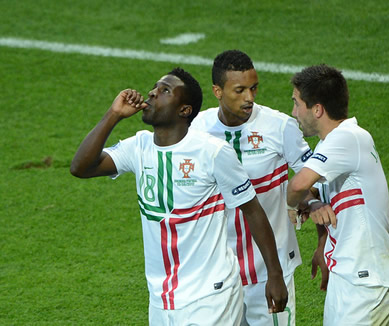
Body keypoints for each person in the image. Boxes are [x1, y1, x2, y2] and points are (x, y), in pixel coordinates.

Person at [70, 67, 288, 325]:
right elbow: (80, 168)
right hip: (161, 299)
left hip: (211, 295)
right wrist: (113, 114)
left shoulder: (212, 152)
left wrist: (275, 275)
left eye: (165, 91)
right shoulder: (139, 147)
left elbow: (252, 209)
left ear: (184, 110)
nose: (152, 93)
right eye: (155, 88)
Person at [190, 50, 333, 326]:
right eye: (239, 90)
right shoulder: (197, 129)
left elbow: (316, 185)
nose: (250, 98)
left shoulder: (280, 128)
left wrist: (321, 238)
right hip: (217, 273)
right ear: (217, 91)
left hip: (270, 270)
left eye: (254, 88)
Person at [287, 64, 389, 325]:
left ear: (317, 109)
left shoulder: (348, 138)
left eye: (297, 104)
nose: (294, 112)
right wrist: (316, 215)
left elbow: (296, 186)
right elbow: (312, 192)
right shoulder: (331, 144)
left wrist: (291, 206)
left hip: (367, 282)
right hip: (347, 276)